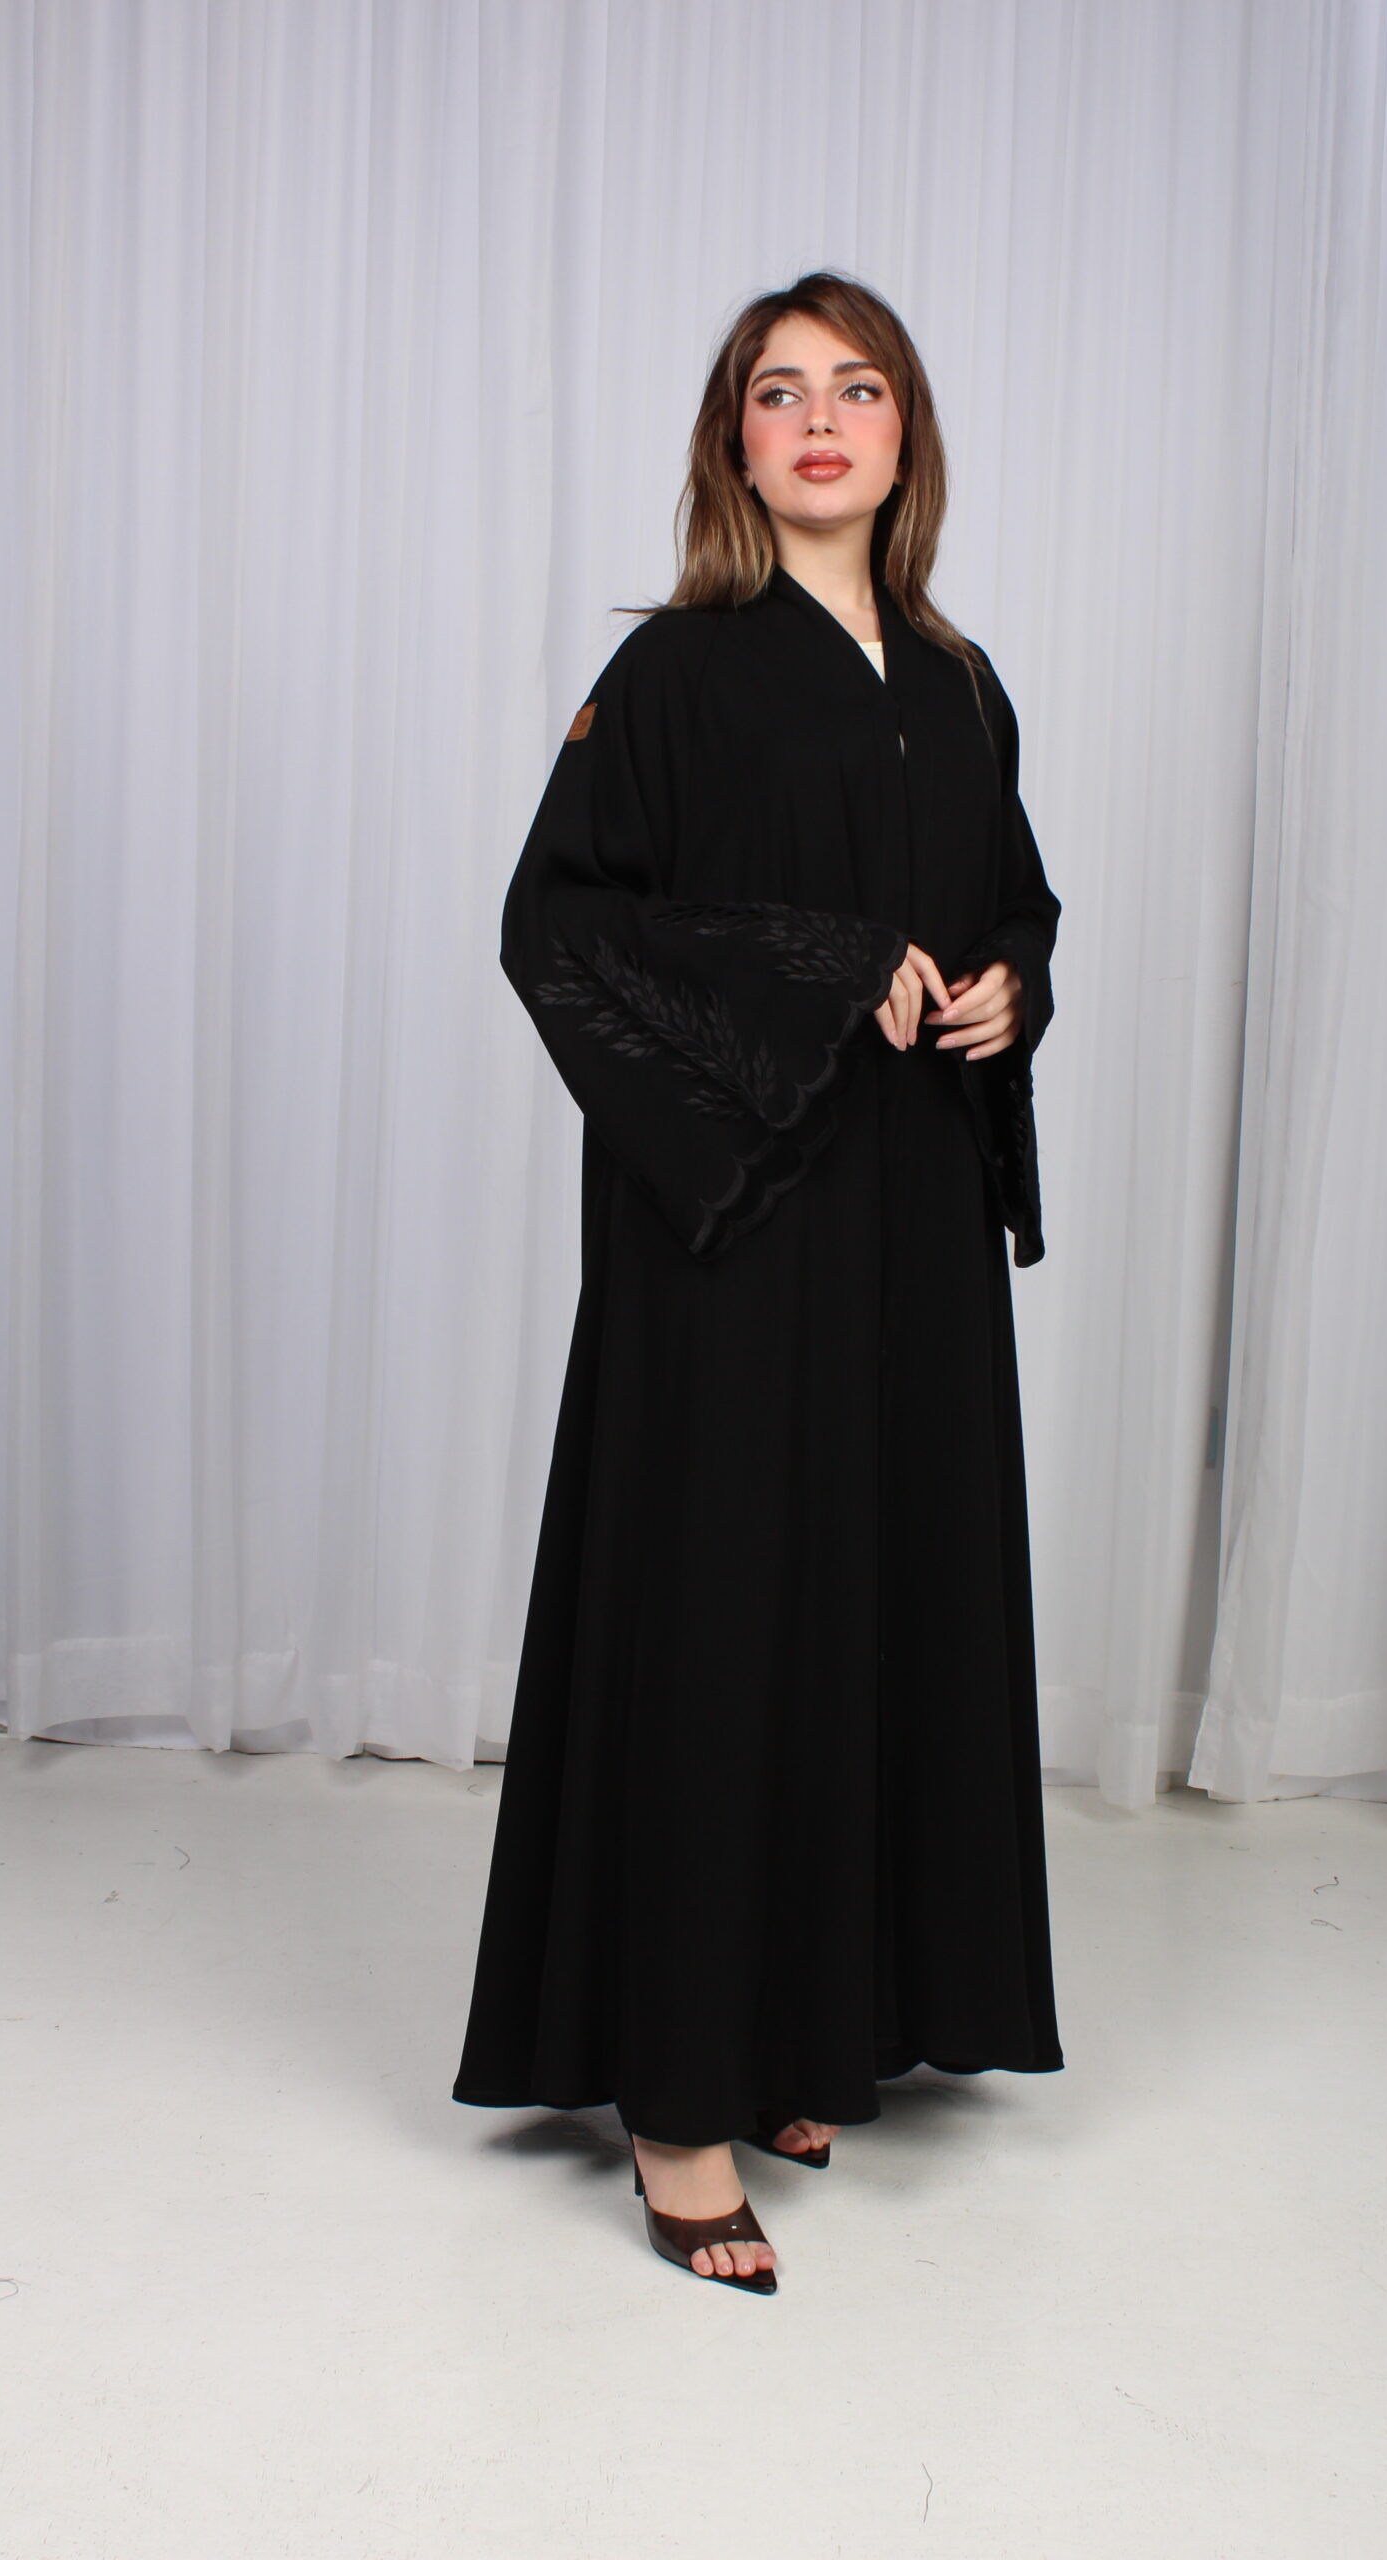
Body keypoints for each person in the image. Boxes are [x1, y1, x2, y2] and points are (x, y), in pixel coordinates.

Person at [453, 271, 1064, 2294]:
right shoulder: (678, 672)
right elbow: (560, 925)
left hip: (908, 1229)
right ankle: (676, 2103)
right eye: (778, 391)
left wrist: (1007, 983)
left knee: (862, 1600)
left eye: (856, 388)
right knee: (722, 1617)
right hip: (733, 1221)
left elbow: (1008, 893)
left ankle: (800, 2026)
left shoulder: (957, 681)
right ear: (735, 439)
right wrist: (821, 964)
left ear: (903, 435)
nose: (818, 419)